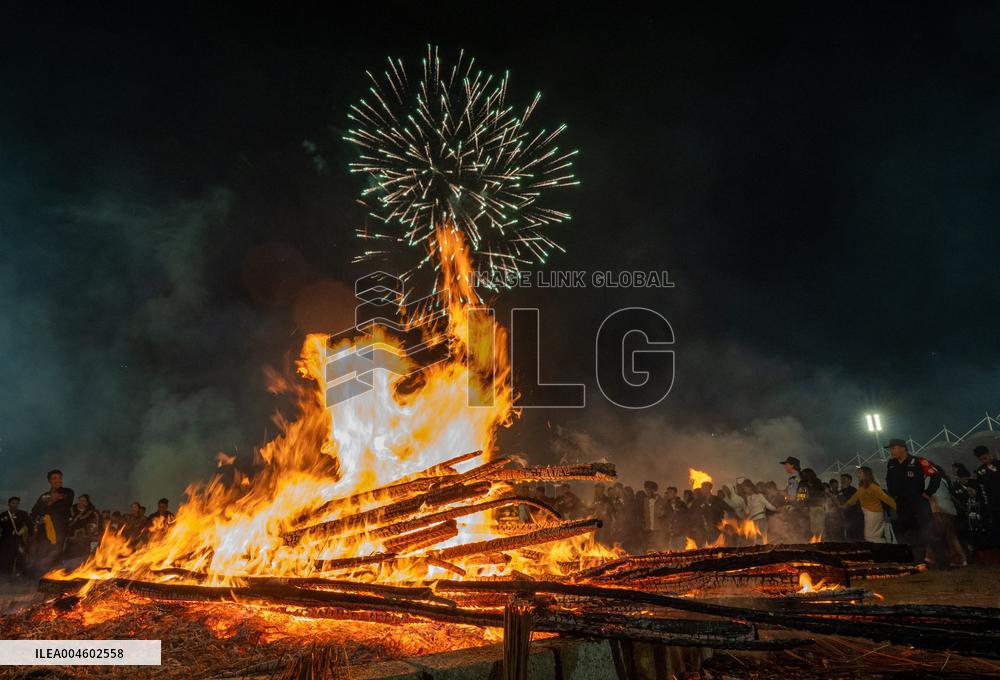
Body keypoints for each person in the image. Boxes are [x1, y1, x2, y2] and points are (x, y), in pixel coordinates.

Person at [884, 439, 940, 564]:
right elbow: (888, 479)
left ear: (903, 448)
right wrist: (892, 493)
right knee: (906, 532)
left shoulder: (919, 461)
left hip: (918, 503)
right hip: (902, 504)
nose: (891, 451)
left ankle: (940, 561)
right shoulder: (891, 463)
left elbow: (936, 475)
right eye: (890, 448)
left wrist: (928, 492)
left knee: (926, 530)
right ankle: (914, 559)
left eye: (893, 448)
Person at [29, 469, 75, 572]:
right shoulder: (44, 496)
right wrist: (38, 520)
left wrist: (49, 505)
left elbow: (64, 506)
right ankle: (39, 580)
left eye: (59, 478)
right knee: (42, 555)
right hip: (43, 531)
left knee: (56, 555)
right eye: (54, 478)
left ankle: (55, 579)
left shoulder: (67, 492)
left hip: (59, 530)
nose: (57, 480)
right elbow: (34, 512)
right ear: (49, 481)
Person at [843, 466, 895, 543]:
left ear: (866, 474)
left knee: (871, 536)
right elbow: (852, 499)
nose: (858, 475)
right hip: (870, 514)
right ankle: (879, 551)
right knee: (872, 536)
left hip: (874, 514)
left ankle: (880, 551)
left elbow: (886, 498)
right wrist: (842, 506)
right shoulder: (862, 488)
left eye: (860, 473)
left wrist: (900, 508)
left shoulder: (872, 487)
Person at [928, 467, 967, 567]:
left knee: (936, 535)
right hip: (950, 510)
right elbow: (950, 496)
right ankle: (960, 559)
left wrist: (934, 508)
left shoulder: (929, 479)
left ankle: (931, 557)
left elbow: (929, 495)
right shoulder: (944, 480)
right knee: (950, 536)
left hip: (939, 511)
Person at [973, 445, 1000, 549]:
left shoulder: (998, 464)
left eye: (985, 458)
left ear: (989, 454)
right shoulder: (980, 471)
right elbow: (981, 489)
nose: (984, 461)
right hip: (993, 504)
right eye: (981, 459)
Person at [0, 497, 32, 578]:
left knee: (20, 560)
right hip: (6, 542)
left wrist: (30, 537)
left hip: (19, 541)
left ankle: (19, 578)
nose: (15, 505)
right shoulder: (3, 515)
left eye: (17, 503)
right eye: (13, 503)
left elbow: (30, 526)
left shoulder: (23, 514)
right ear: (9, 504)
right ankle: (5, 579)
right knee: (6, 561)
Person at [67, 494, 101, 558]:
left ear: (87, 502)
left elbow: (96, 523)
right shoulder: (72, 510)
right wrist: (74, 519)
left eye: (83, 501)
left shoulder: (91, 512)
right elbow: (68, 521)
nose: (81, 502)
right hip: (73, 536)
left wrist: (94, 530)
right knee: (72, 554)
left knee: (84, 555)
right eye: (80, 500)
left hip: (85, 537)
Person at [838, 473, 864, 542]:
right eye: (841, 479)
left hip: (854, 517)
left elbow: (853, 502)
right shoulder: (840, 492)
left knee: (856, 536)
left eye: (844, 479)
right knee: (848, 536)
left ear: (850, 481)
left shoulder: (853, 490)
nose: (842, 481)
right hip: (845, 517)